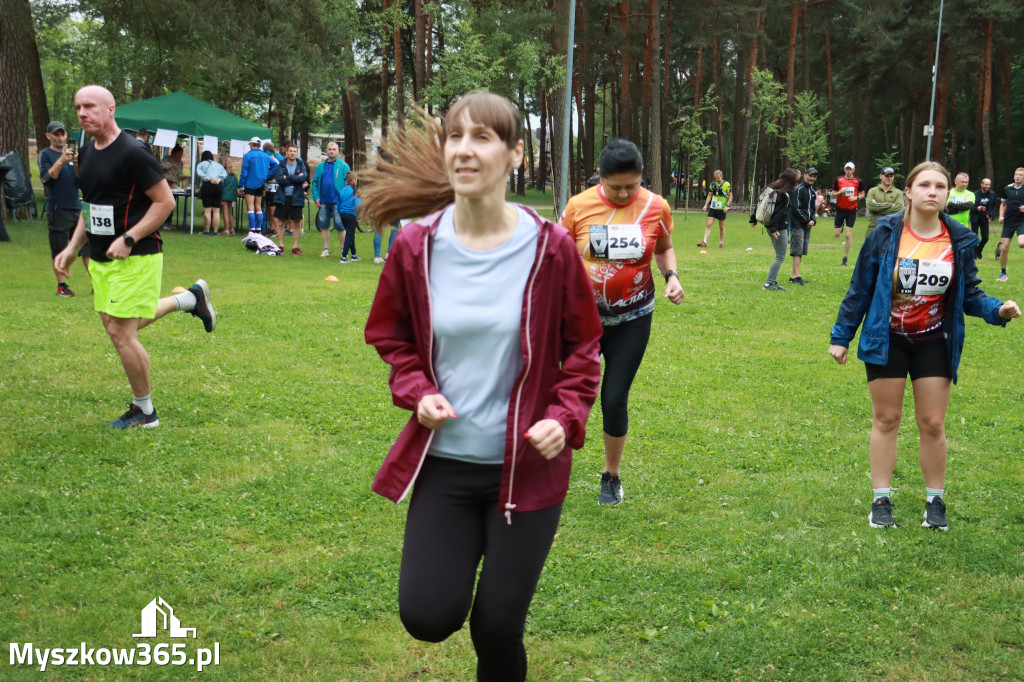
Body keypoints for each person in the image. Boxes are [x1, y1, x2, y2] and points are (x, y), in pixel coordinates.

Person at [360, 91, 602, 682]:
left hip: (525, 470)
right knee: (426, 615)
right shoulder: (416, 246)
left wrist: (564, 416)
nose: (464, 150)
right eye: (455, 137)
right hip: (445, 467)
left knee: (496, 625)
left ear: (516, 154)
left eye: (483, 138)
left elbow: (583, 348)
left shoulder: (551, 248)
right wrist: (417, 391)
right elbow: (391, 338)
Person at [829, 161, 1020, 531]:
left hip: (934, 339)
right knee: (887, 419)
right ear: (910, 191)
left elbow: (970, 293)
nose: (933, 192)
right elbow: (860, 289)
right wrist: (841, 336)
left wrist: (998, 310)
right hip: (887, 339)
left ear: (948, 194)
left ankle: (935, 502)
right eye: (925, 185)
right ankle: (880, 499)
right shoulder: (885, 232)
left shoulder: (959, 237)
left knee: (932, 423)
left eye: (940, 186)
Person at [54, 85, 217, 428]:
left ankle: (145, 411)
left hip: (136, 254)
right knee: (121, 323)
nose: (82, 113)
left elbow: (165, 202)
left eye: (90, 107)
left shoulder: (133, 152)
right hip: (99, 256)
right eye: (78, 107)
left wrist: (130, 237)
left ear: (111, 109)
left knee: (120, 332)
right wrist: (71, 248)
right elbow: (90, 206)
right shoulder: (87, 151)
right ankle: (188, 299)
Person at [560, 138, 685, 506]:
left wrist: (673, 277)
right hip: (581, 321)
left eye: (631, 185)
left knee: (614, 399)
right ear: (600, 176)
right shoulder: (578, 206)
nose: (624, 193)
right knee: (570, 396)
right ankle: (550, 469)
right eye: (615, 187)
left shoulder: (655, 206)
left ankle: (611, 477)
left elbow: (663, 248)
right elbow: (559, 253)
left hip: (633, 318)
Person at [39, 120, 88, 296]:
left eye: (62, 134)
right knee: (59, 248)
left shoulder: (72, 155)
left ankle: (95, 284)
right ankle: (62, 286)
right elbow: (47, 179)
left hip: (77, 206)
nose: (60, 137)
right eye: (56, 134)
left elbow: (80, 182)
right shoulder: (46, 155)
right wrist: (61, 160)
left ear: (66, 135)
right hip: (58, 208)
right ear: (49, 136)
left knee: (87, 247)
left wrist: (75, 164)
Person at [750, 168, 798, 291]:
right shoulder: (783, 195)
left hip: (770, 226)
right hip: (778, 229)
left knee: (779, 255)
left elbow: (759, 204)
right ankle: (769, 283)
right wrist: (774, 229)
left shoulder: (770, 190)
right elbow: (778, 214)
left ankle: (772, 281)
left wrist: (753, 219)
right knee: (780, 256)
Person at [311, 142, 351, 258]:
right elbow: (314, 183)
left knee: (340, 225)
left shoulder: (343, 166)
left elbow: (349, 183)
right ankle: (326, 249)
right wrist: (316, 197)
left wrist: (345, 198)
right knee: (323, 225)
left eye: (334, 149)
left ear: (338, 151)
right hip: (323, 201)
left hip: (338, 202)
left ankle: (343, 250)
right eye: (330, 149)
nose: (332, 151)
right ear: (326, 151)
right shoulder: (320, 167)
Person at [272, 142, 309, 255]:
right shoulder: (281, 164)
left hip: (297, 197)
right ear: (287, 152)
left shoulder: (301, 164)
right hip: (283, 197)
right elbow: (279, 179)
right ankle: (281, 245)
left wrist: (288, 177)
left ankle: (295, 247)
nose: (293, 153)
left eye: (295, 151)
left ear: (297, 153)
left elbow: (303, 177)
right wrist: (296, 179)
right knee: (280, 222)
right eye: (291, 151)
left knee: (296, 222)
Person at [238, 136, 279, 235]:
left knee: (250, 207)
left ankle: (252, 229)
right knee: (258, 207)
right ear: (260, 145)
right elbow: (276, 165)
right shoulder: (265, 156)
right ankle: (259, 230)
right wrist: (267, 175)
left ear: (251, 144)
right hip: (261, 184)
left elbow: (244, 172)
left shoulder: (248, 156)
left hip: (250, 184)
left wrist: (240, 185)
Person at [831, 161, 865, 265]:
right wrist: (840, 192)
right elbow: (833, 194)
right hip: (840, 209)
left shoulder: (858, 181)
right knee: (836, 234)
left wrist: (856, 198)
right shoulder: (839, 180)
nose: (848, 171)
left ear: (853, 170)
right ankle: (841, 227)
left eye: (850, 169)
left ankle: (845, 258)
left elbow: (863, 194)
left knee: (848, 233)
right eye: (847, 169)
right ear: (844, 170)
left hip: (851, 210)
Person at [788, 166, 817, 286]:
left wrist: (813, 220)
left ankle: (797, 274)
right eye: (810, 175)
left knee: (802, 250)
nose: (812, 178)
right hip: (798, 224)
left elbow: (812, 209)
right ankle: (794, 276)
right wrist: (806, 221)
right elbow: (796, 208)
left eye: (814, 176)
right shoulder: (798, 190)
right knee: (797, 251)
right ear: (805, 175)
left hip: (807, 225)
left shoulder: (812, 192)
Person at [996, 167, 1024, 282]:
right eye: (1016, 174)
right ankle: (1003, 274)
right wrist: (1001, 216)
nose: (1018, 176)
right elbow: (1003, 204)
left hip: (1022, 221)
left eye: (1020, 175)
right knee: (1004, 248)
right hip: (1009, 221)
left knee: (1022, 243)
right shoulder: (1007, 189)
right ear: (1014, 176)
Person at [195, 150, 228, 235]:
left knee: (207, 210)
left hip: (207, 186)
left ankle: (206, 230)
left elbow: (199, 173)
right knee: (216, 210)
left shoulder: (201, 164)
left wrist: (209, 179)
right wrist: (218, 179)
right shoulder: (218, 165)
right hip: (218, 186)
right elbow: (225, 174)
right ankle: (216, 231)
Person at [699, 169, 732, 248]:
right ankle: (704, 241)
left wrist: (727, 206)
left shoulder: (726, 184)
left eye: (718, 178)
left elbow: (731, 196)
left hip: (722, 208)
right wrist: (705, 205)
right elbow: (710, 195)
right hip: (713, 207)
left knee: (721, 226)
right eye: (716, 178)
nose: (717, 180)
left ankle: (721, 242)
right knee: (709, 224)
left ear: (722, 176)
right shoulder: (712, 184)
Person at [866, 166, 905, 233]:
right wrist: (890, 205)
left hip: (891, 229)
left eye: (891, 176)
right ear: (881, 176)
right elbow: (871, 206)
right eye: (887, 176)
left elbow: (898, 209)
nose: (889, 178)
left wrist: (877, 208)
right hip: (873, 228)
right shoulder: (872, 191)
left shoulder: (898, 193)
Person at [970, 177, 997, 259]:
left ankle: (979, 250)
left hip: (985, 218)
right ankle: (974, 254)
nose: (987, 186)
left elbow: (995, 205)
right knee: (975, 237)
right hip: (975, 218)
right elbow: (970, 207)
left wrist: (990, 214)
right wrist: (977, 208)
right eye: (986, 184)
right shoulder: (974, 194)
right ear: (981, 184)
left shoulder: (992, 194)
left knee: (985, 238)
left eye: (989, 185)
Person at [338, 171, 362, 263]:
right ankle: (344, 256)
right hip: (351, 214)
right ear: (353, 180)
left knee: (350, 234)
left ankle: (354, 255)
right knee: (349, 235)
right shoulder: (355, 190)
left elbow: (339, 203)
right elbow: (357, 203)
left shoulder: (342, 190)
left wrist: (340, 212)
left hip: (343, 214)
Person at [220, 161, 238, 235]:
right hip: (232, 196)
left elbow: (221, 184)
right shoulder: (234, 175)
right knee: (230, 213)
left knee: (225, 213)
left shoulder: (223, 175)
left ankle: (226, 229)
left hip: (224, 196)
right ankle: (232, 229)